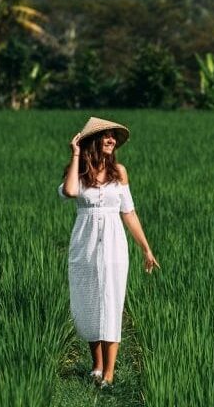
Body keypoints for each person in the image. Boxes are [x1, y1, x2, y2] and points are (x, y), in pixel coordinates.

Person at [58, 116, 159, 389]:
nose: (111, 140)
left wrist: (146, 249)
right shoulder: (78, 171)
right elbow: (68, 192)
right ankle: (97, 364)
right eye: (106, 135)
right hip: (84, 244)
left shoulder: (120, 172)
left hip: (115, 245)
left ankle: (110, 373)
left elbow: (129, 212)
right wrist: (76, 154)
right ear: (94, 141)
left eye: (114, 136)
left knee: (111, 302)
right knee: (89, 301)